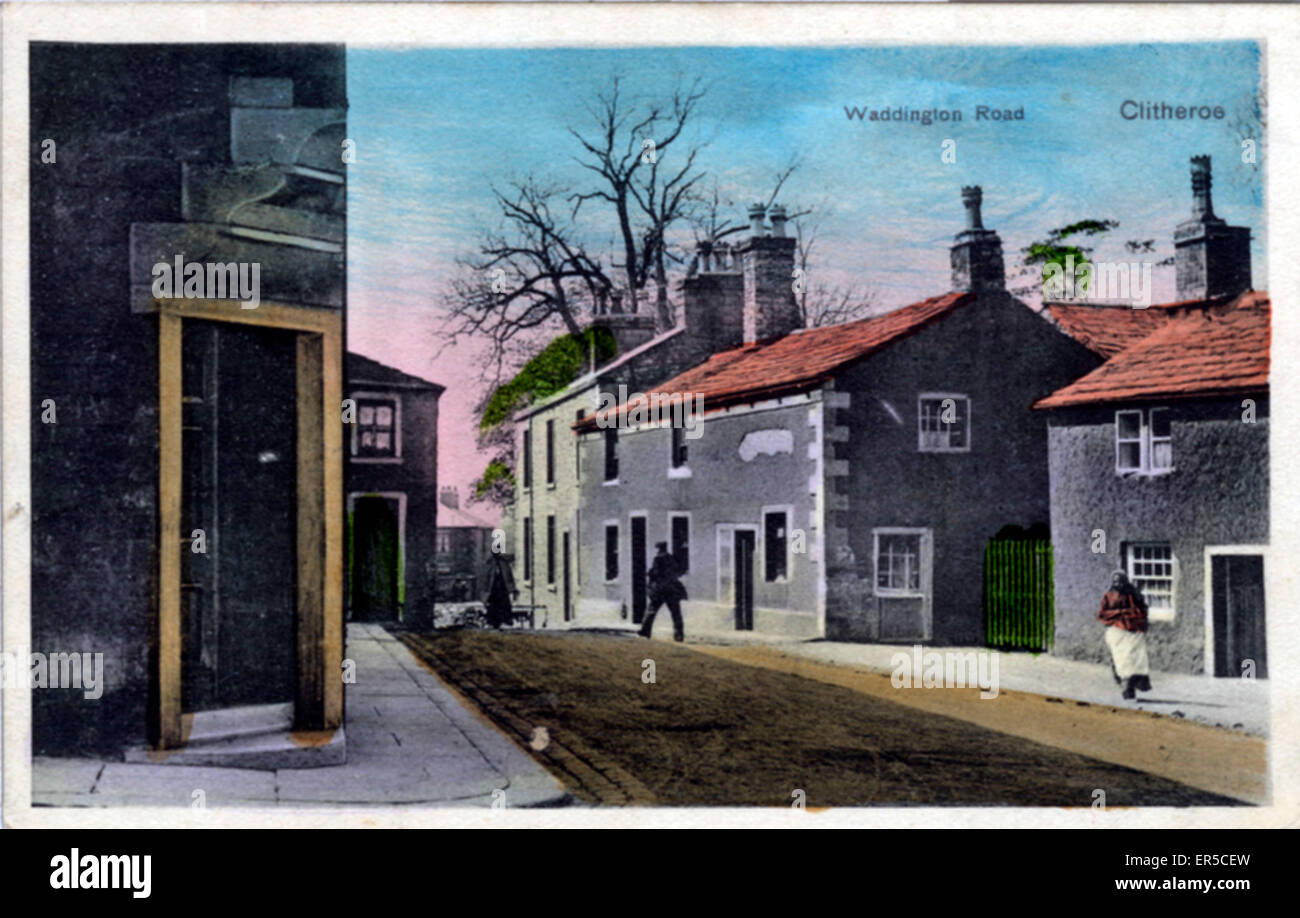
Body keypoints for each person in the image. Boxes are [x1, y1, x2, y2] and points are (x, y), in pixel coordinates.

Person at [1098, 569, 1153, 700]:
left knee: (1134, 661)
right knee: (1120, 661)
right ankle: (1126, 689)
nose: (1119, 584)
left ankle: (1131, 688)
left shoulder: (1134, 594)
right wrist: (1120, 613)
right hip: (1117, 633)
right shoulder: (1108, 596)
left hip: (1133, 632)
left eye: (1121, 582)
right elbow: (1102, 614)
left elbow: (1143, 610)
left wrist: (1134, 616)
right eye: (1116, 582)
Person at [640, 542, 687, 642]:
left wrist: (650, 573)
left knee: (651, 610)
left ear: (659, 549)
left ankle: (645, 631)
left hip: (660, 590)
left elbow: (655, 573)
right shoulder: (671, 558)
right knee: (676, 613)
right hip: (672, 589)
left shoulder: (658, 559)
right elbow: (677, 571)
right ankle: (679, 635)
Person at [484, 552, 518, 629]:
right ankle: (491, 622)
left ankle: (505, 621)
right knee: (492, 606)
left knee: (504, 605)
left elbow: (509, 576)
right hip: (493, 589)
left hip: (502, 589)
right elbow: (487, 577)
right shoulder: (490, 563)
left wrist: (512, 589)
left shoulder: (504, 563)